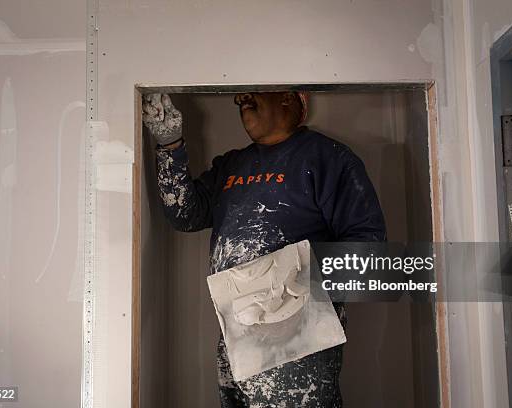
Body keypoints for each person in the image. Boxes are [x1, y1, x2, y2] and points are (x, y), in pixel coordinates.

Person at [143, 91, 386, 407]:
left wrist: (294, 283)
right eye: (240, 97)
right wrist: (170, 145)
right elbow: (185, 215)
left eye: (253, 91)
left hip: (298, 340)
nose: (242, 98)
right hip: (237, 334)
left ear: (288, 98)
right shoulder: (232, 165)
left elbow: (369, 249)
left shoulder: (328, 159)